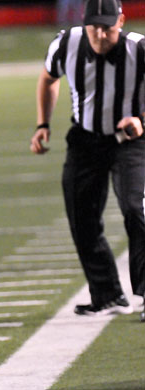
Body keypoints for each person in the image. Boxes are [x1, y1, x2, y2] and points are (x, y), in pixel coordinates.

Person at [30, 0, 145, 319]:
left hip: (130, 141)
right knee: (82, 216)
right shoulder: (67, 42)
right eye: (94, 26)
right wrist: (43, 124)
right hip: (85, 138)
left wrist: (141, 121)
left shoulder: (140, 48)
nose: (100, 34)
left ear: (121, 21)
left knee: (137, 208)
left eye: (107, 27)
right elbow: (48, 78)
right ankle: (107, 294)